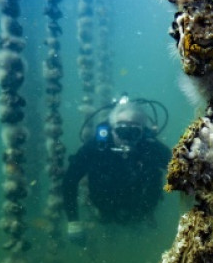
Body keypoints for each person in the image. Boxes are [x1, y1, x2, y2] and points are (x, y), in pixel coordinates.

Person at [63, 98, 170, 243]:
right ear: (111, 129)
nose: (127, 138)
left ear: (143, 131)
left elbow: (180, 168)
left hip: (141, 210)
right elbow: (70, 180)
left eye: (134, 132)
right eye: (122, 131)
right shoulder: (96, 147)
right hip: (104, 210)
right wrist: (73, 222)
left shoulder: (151, 147)